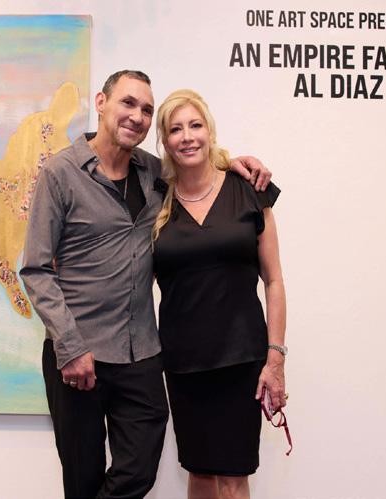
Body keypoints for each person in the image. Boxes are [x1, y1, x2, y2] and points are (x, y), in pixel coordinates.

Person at [20, 70, 273, 499]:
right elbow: (36, 269)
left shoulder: (154, 174)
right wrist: (70, 346)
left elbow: (195, 169)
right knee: (82, 479)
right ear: (101, 103)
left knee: (139, 469)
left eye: (146, 110)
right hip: (78, 353)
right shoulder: (60, 173)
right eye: (128, 103)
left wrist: (232, 163)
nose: (137, 116)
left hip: (141, 353)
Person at [151, 89, 287, 499]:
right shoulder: (155, 199)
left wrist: (275, 358)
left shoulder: (249, 189)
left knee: (233, 479)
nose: (187, 136)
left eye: (195, 125)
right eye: (176, 129)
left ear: (209, 131)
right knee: (199, 472)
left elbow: (274, 280)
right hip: (184, 364)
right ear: (165, 141)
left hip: (241, 360)